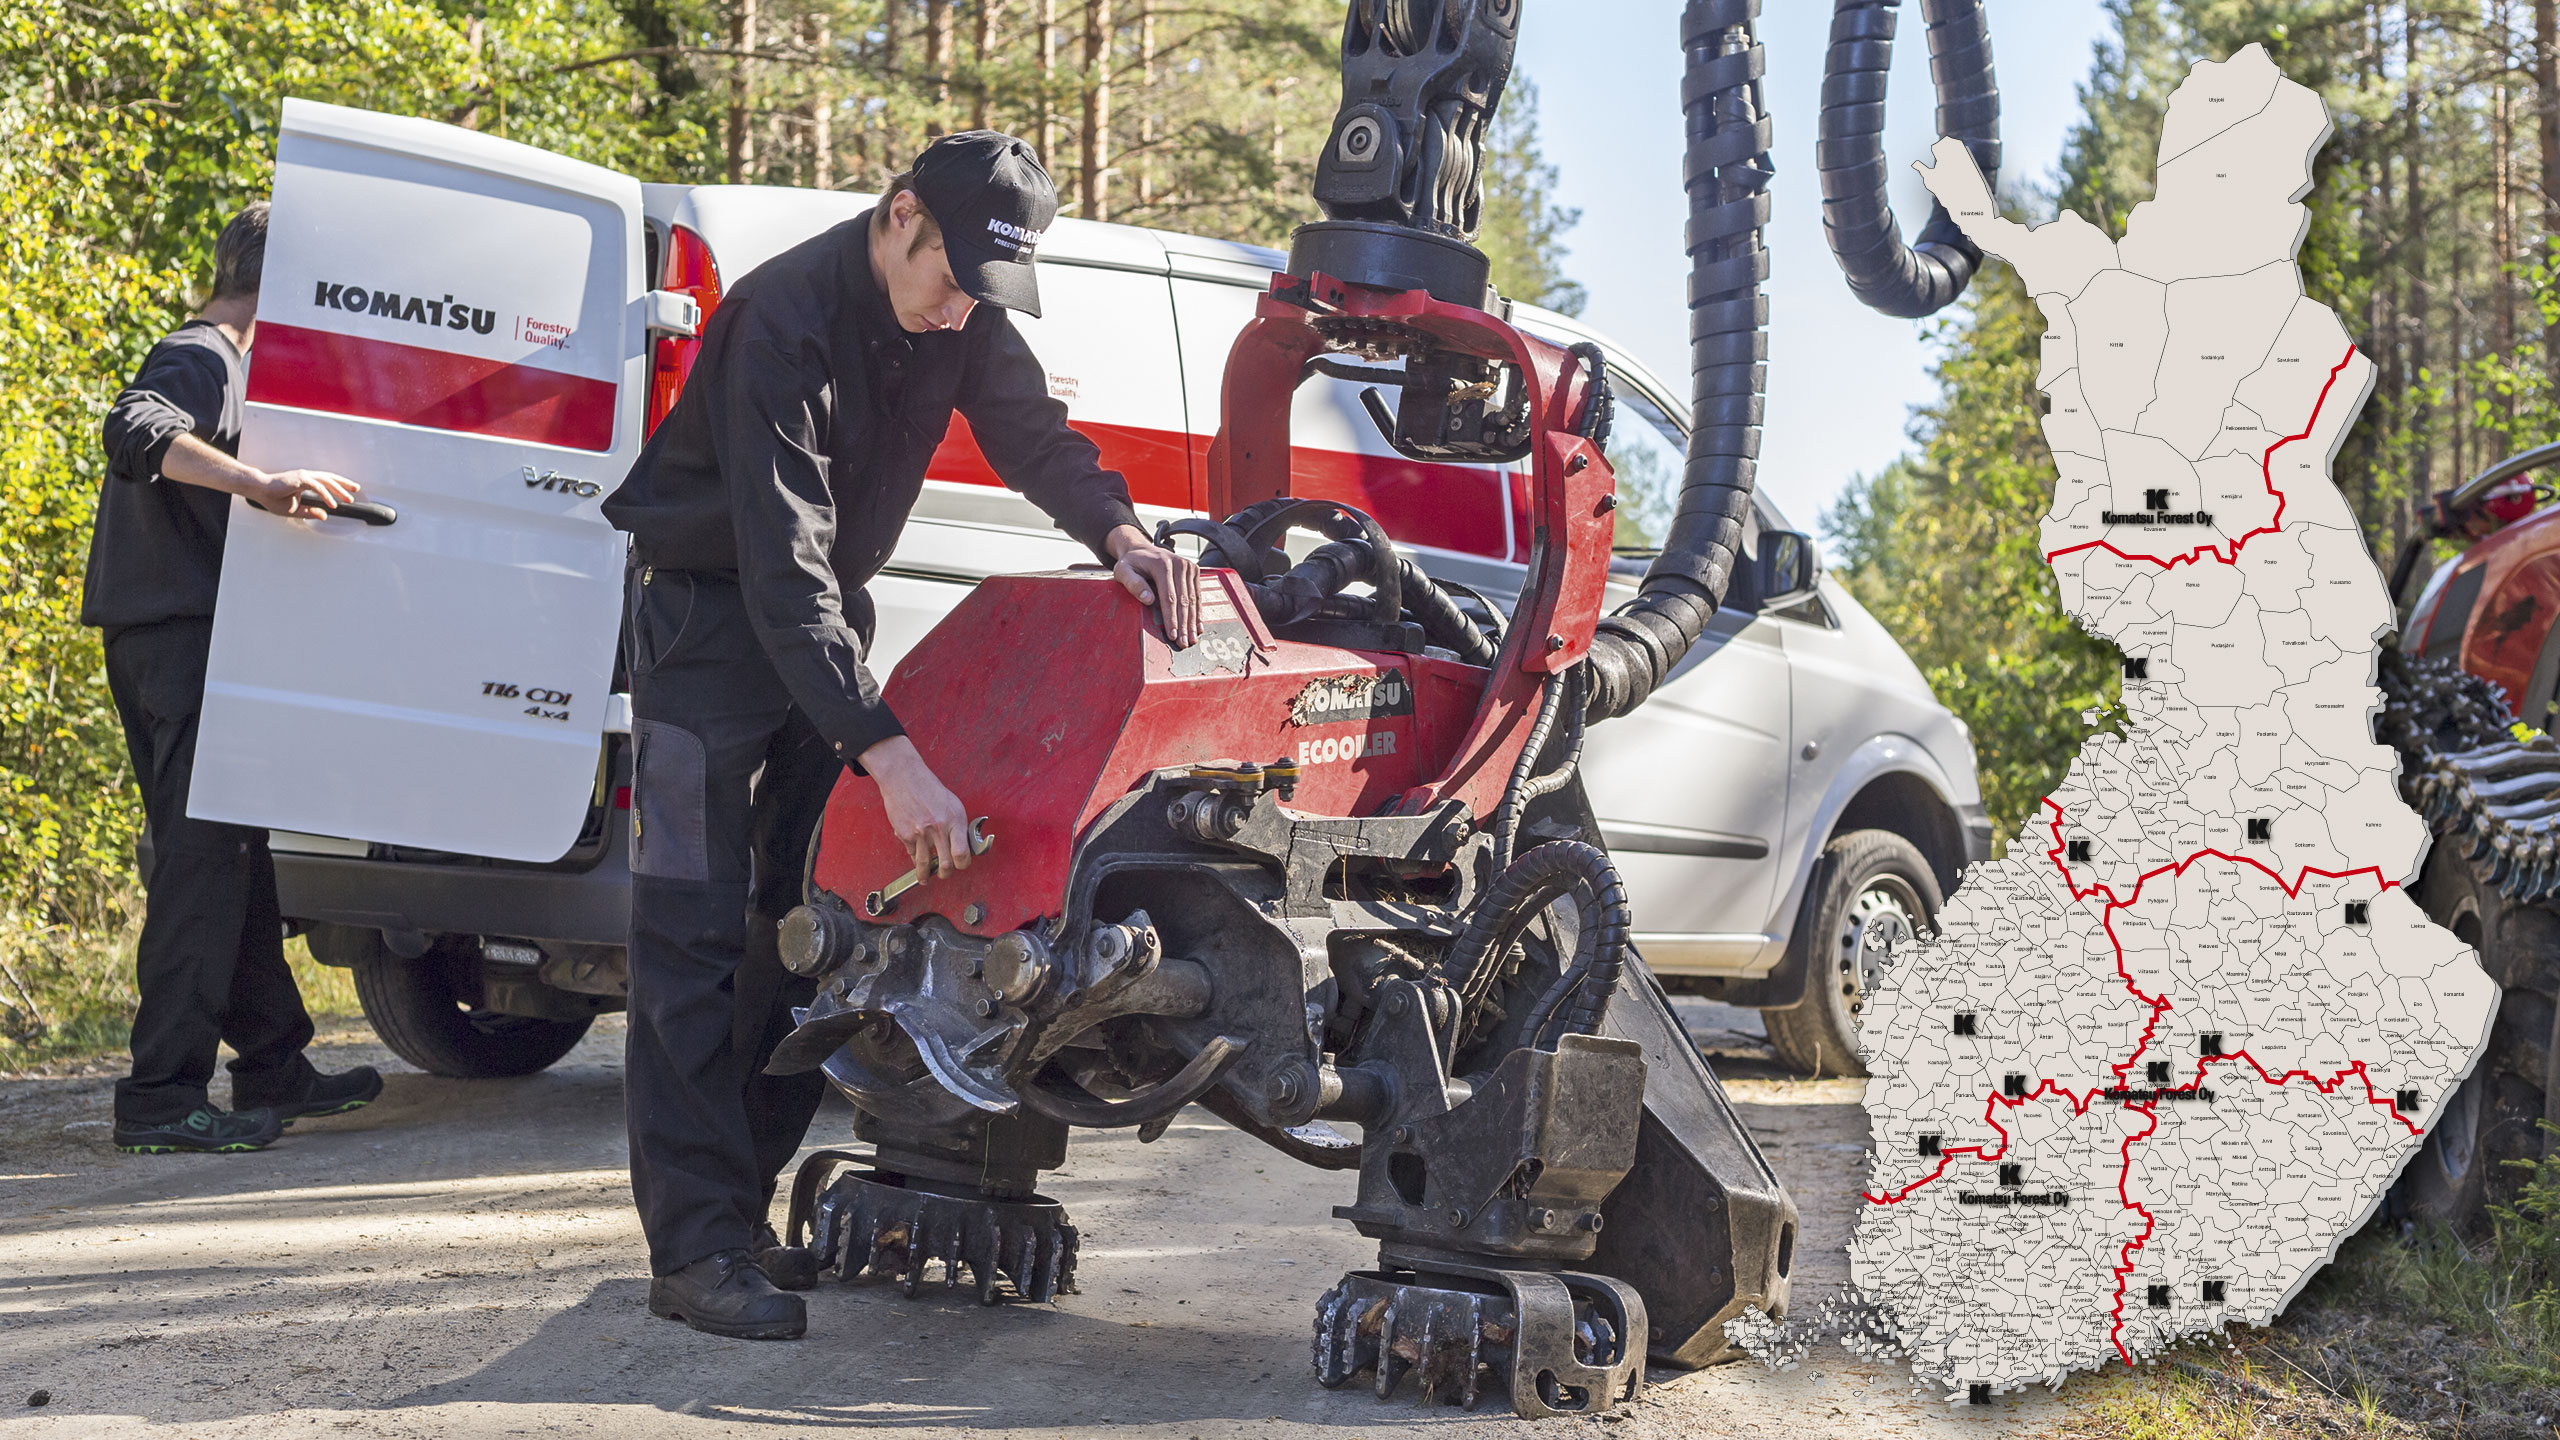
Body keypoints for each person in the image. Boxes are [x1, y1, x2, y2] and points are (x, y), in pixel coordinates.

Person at [602, 131, 1200, 1341]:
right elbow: (782, 572)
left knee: (803, 936)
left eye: (984, 290)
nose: (959, 311)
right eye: (950, 277)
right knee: (688, 939)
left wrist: (1121, 534)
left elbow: (1036, 436)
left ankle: (744, 1214)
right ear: (899, 216)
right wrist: (891, 751)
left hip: (817, 634)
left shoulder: (958, 314)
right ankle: (694, 1249)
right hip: (701, 633)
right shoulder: (779, 319)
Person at [89, 202, 387, 1154]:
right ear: (285, 281)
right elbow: (135, 426)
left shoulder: (229, 358)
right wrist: (260, 484)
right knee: (199, 858)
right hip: (180, 641)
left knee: (232, 850)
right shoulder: (206, 353)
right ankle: (159, 1097)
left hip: (183, 638)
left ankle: (274, 1061)